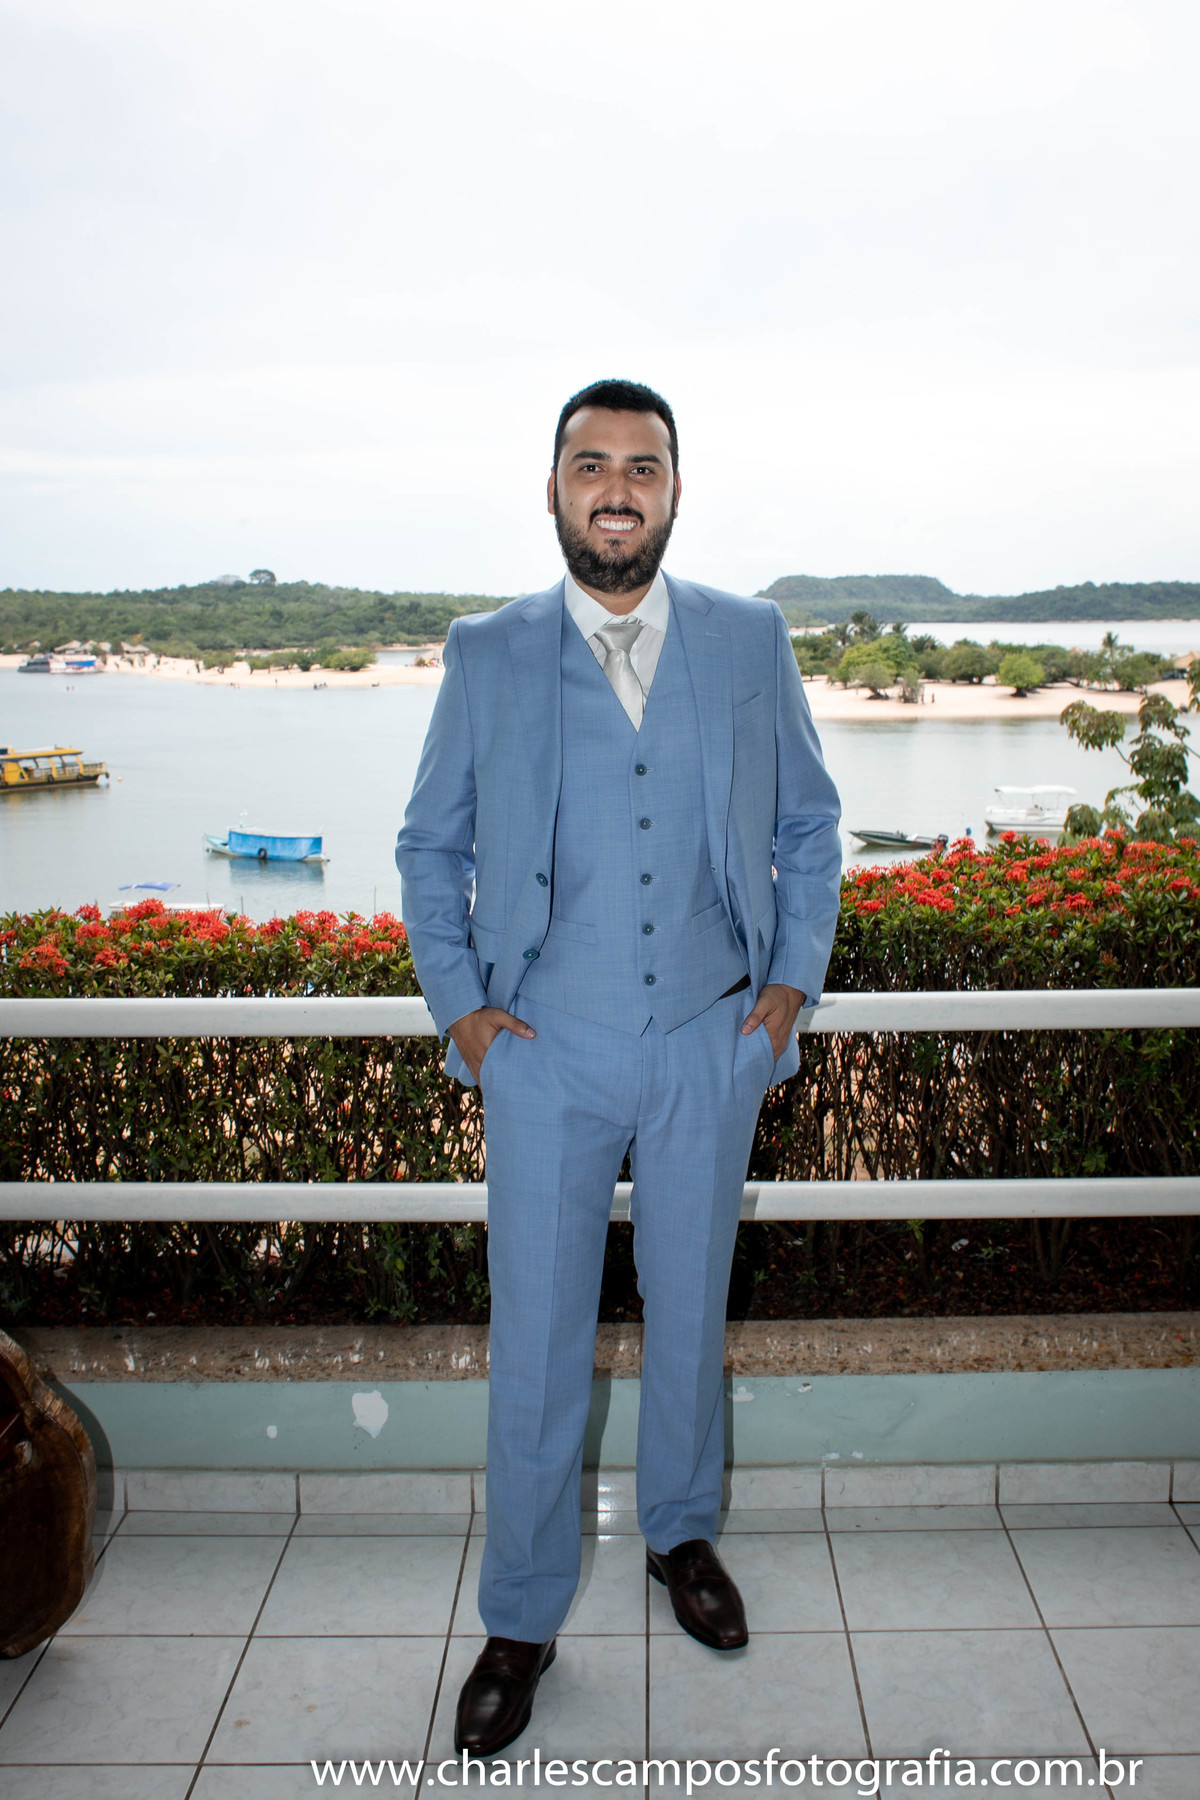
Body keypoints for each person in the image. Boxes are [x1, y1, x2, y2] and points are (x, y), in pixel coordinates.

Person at [396, 379, 842, 1755]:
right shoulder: (487, 653)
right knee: (537, 1350)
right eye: (589, 463)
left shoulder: (750, 638)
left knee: (690, 1314)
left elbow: (813, 830)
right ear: (550, 489)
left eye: (641, 465)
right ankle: (522, 1616)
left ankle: (680, 1538)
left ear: (674, 490)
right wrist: (463, 1014)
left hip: (713, 1041)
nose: (616, 485)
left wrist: (783, 995)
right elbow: (431, 848)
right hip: (545, 1054)